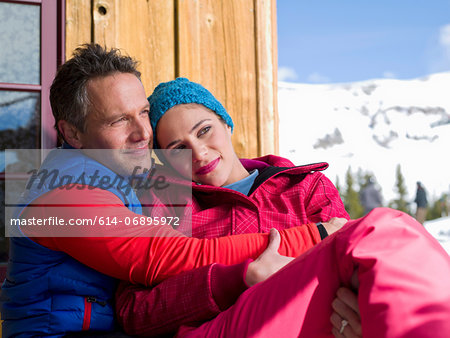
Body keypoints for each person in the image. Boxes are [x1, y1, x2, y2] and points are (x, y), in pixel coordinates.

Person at [0, 44, 349, 337]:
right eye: (119, 120)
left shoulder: (304, 186)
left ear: (226, 123)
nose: (141, 133)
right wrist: (317, 237)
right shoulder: (62, 197)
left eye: (143, 113)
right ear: (73, 134)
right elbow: (164, 259)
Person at [115, 78, 450, 337]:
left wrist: (361, 322)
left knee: (386, 231)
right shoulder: (166, 206)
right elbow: (134, 311)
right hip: (224, 328)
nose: (199, 152)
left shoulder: (304, 187)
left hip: (308, 319)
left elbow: (351, 269)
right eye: (177, 148)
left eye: (204, 131)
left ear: (226, 124)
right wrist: (237, 278)